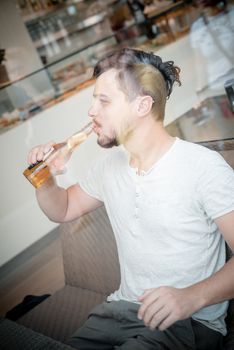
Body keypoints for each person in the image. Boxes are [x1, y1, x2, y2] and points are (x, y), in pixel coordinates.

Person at [27, 48, 234, 350]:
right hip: (118, 311)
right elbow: (64, 208)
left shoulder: (204, 167)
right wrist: (44, 178)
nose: (91, 111)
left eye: (104, 101)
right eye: (93, 100)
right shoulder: (109, 166)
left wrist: (191, 297)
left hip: (187, 322)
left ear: (142, 106)